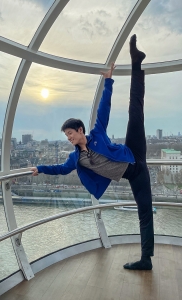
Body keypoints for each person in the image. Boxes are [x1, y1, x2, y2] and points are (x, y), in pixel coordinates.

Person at [31, 34, 154, 270]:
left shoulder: (97, 133)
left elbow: (104, 109)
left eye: (70, 133)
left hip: (132, 152)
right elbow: (60, 170)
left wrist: (108, 81)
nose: (68, 138)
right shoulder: (76, 159)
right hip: (135, 175)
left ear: (79, 129)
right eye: (66, 136)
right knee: (144, 213)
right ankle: (146, 260)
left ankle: (136, 61)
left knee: (135, 109)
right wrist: (40, 168)